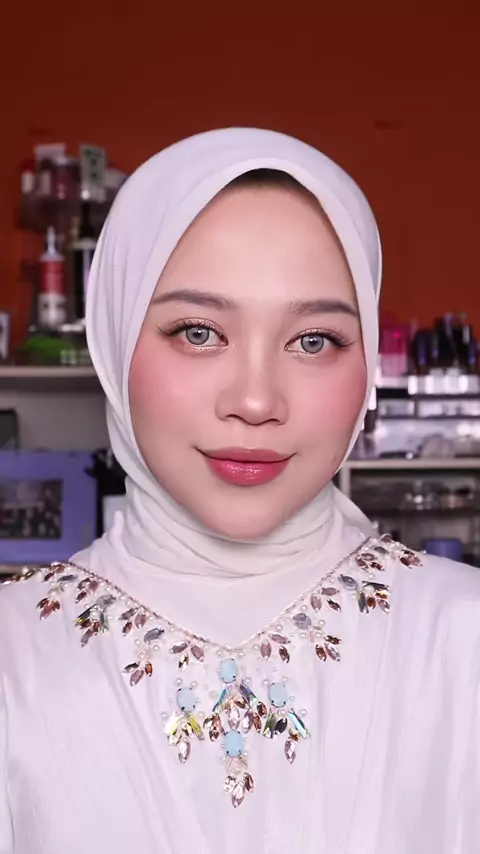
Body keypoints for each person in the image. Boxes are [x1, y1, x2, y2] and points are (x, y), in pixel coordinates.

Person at [0, 128, 478, 854]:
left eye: (313, 340)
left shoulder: (463, 637)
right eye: (198, 332)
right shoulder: (15, 652)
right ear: (115, 341)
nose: (256, 402)